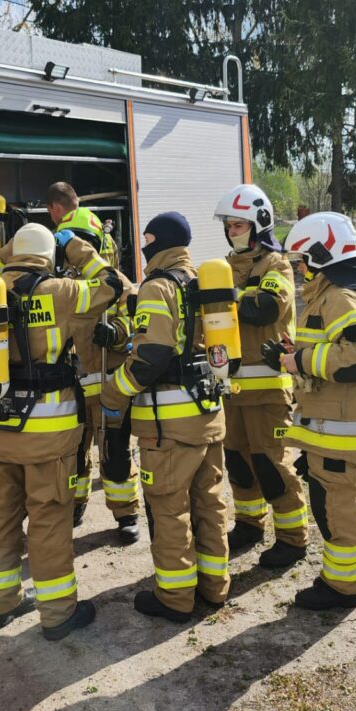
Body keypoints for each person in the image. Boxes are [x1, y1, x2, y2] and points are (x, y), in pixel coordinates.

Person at [0, 223, 123, 640]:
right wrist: (76, 248)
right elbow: (115, 283)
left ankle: (1, 604)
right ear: (48, 256)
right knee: (47, 519)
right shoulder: (61, 291)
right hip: (49, 432)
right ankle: (58, 613)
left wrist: (6, 250)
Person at [101, 212, 230, 623]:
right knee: (209, 504)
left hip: (169, 427)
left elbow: (151, 355)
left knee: (170, 510)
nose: (142, 246)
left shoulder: (158, 286)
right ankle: (214, 587)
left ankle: (175, 598)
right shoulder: (200, 285)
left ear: (157, 242)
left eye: (146, 239)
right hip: (208, 414)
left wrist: (114, 389)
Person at [279, 211, 356, 610]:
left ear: (320, 256)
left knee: (333, 508)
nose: (299, 269)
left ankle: (341, 587)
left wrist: (302, 361)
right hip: (332, 424)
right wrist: (300, 356)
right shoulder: (329, 296)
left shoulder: (338, 298)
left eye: (302, 261)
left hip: (339, 427)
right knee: (348, 500)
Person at [213, 184, 309, 568]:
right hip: (231, 388)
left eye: (238, 225)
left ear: (259, 225)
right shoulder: (223, 267)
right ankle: (250, 524)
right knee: (238, 461)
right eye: (230, 226)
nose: (232, 232)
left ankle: (292, 538)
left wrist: (227, 294)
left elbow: (267, 308)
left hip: (268, 389)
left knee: (272, 465)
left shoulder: (277, 264)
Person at [56, 206, 140, 542]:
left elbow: (136, 321)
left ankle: (126, 513)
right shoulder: (61, 287)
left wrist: (116, 332)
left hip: (108, 385)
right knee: (73, 453)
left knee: (115, 451)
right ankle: (75, 506)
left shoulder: (116, 282)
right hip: (72, 387)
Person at [46, 181, 120, 267]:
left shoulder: (63, 236)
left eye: (49, 211)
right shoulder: (101, 229)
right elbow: (116, 273)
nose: (51, 218)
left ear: (56, 207)